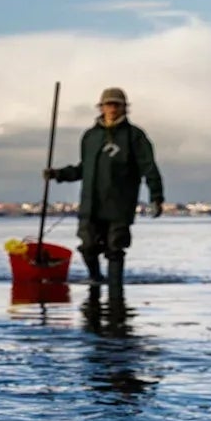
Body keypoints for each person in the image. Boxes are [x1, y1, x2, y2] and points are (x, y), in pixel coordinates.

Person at [45, 87, 163, 288]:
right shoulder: (90, 137)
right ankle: (96, 279)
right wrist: (59, 174)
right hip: (90, 204)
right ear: (101, 107)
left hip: (120, 204)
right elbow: (84, 168)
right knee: (87, 246)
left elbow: (149, 167)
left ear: (125, 108)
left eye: (117, 104)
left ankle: (115, 292)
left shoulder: (135, 136)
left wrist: (156, 197)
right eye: (109, 104)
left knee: (115, 248)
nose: (112, 108)